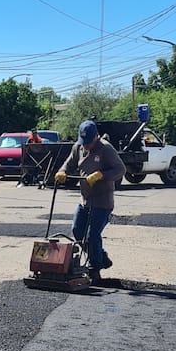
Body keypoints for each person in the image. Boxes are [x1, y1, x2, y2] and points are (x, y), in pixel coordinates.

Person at [55, 120, 126, 283]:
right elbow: (69, 163)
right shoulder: (78, 147)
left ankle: (95, 269)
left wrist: (102, 175)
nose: (85, 145)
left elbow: (120, 169)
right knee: (77, 230)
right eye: (83, 142)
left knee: (92, 235)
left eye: (88, 142)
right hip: (85, 199)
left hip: (102, 201)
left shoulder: (106, 149)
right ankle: (100, 256)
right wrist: (62, 171)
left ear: (96, 137)